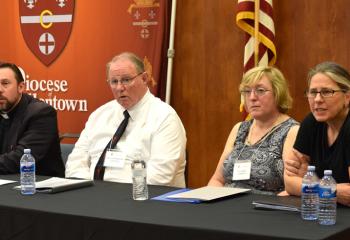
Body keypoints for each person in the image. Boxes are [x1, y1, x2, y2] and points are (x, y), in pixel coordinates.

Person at [65, 52, 187, 187]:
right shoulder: (99, 115)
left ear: (145, 78)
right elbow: (75, 162)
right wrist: (88, 190)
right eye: (114, 81)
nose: (119, 88)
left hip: (143, 201)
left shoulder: (164, 117)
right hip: (92, 198)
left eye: (126, 80)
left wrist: (113, 195)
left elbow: (160, 178)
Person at [208, 66, 299, 195]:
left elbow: (291, 189)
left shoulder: (292, 131)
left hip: (264, 209)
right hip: (227, 206)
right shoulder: (239, 128)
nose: (252, 97)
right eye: (247, 91)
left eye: (260, 90)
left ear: (278, 93)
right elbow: (217, 180)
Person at [285, 62, 350, 206]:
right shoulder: (311, 121)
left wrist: (308, 184)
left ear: (347, 97)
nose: (318, 99)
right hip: (323, 209)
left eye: (327, 92)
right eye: (313, 92)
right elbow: (289, 183)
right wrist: (332, 189)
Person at [0, 62, 64, 176]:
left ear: (21, 87)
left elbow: (20, 159)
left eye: (5, 83)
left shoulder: (41, 113)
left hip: (39, 187)